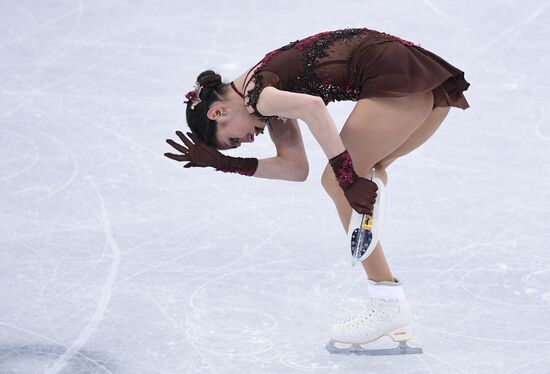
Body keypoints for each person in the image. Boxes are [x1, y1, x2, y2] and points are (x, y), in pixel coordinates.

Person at [164, 27, 470, 353]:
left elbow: (313, 108)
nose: (248, 142)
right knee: (367, 170)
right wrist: (226, 164)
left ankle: (387, 304)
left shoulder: (261, 96)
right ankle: (373, 208)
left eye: (234, 140)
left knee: (340, 181)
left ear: (218, 112)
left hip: (396, 80)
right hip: (417, 80)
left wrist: (347, 177)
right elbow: (296, 169)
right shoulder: (262, 93)